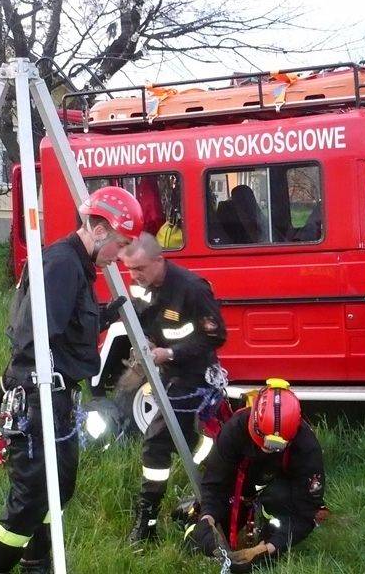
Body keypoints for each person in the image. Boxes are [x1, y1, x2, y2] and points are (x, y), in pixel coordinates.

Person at [0, 186, 143, 574]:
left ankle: (35, 563)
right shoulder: (61, 265)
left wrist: (110, 314)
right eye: (120, 243)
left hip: (59, 398)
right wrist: (40, 397)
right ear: (99, 230)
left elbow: (67, 329)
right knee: (31, 498)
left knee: (60, 486)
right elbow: (31, 337)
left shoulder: (79, 266)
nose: (120, 254)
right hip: (37, 398)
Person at [121, 232, 227, 544]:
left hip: (195, 377)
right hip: (167, 375)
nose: (135, 275)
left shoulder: (191, 288)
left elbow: (216, 335)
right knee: (186, 443)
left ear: (159, 260)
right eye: (130, 269)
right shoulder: (142, 286)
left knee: (157, 442)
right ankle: (203, 502)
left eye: (140, 268)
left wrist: (170, 353)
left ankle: (147, 524)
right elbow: (141, 317)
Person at [184, 379, 326, 573]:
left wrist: (268, 549)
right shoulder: (234, 430)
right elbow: (215, 483)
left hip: (278, 487)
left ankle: (268, 534)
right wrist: (208, 517)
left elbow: (306, 512)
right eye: (264, 440)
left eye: (276, 446)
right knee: (201, 541)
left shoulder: (306, 448)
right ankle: (191, 512)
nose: (267, 448)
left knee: (279, 497)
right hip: (240, 485)